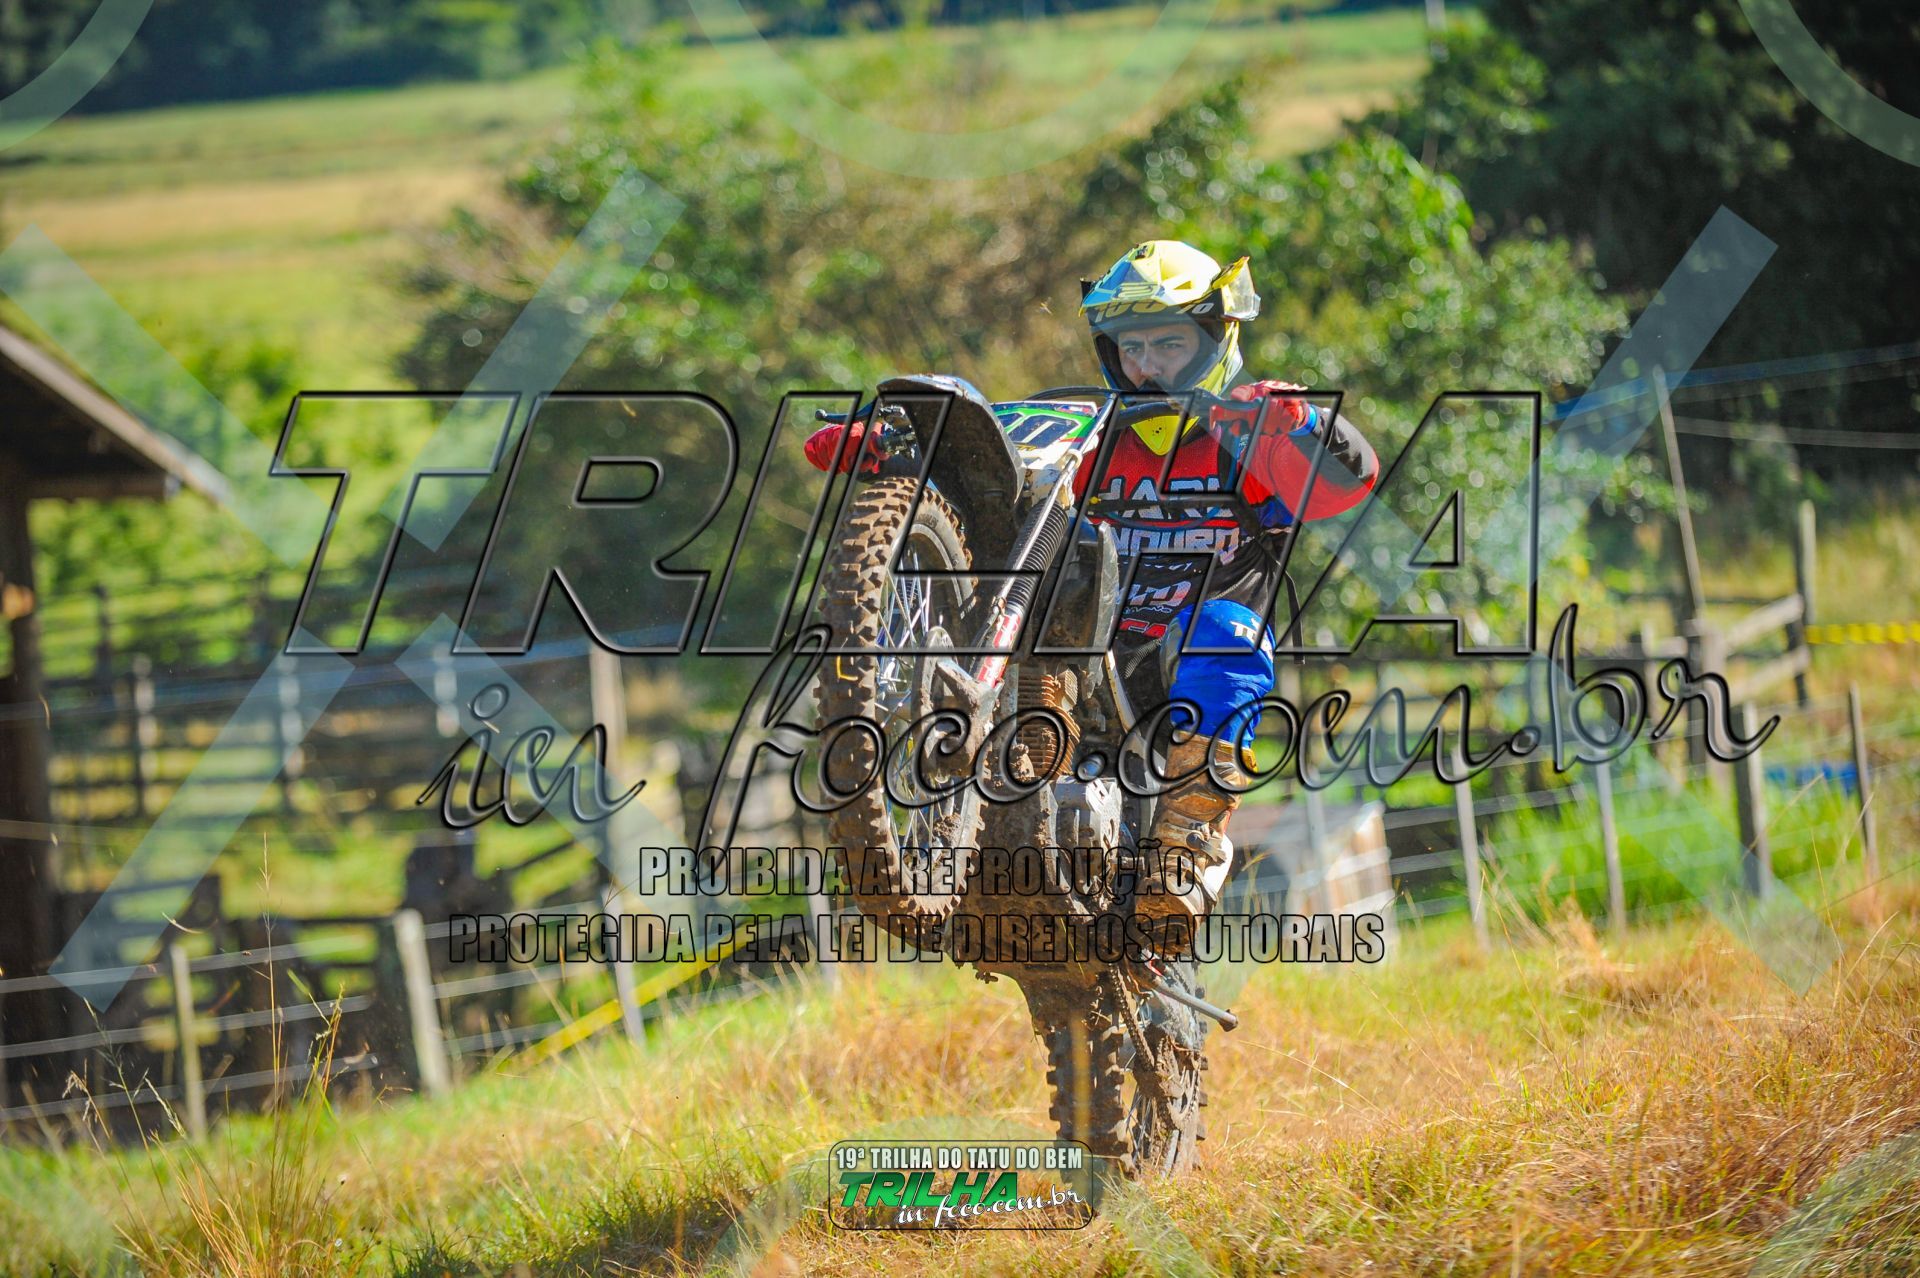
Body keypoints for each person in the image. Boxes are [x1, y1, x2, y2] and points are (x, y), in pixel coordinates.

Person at [803, 239, 1378, 941]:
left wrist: (1303, 421)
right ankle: (989, 814)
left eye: (1169, 343)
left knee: (1226, 632)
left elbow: (1350, 480)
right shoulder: (1092, 438)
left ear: (1217, 336)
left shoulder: (1246, 439)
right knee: (1033, 561)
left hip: (1189, 666)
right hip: (1089, 654)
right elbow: (994, 487)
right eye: (1131, 346)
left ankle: (1185, 845)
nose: (1146, 365)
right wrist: (898, 453)